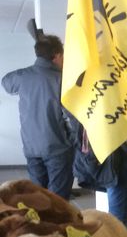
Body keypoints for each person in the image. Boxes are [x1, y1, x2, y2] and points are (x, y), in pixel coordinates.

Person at [2, 34, 75, 200]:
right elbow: (73, 118)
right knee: (58, 200)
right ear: (57, 56)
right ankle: (56, 225)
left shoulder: (23, 76)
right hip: (57, 148)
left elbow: (5, 82)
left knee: (37, 197)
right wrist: (72, 141)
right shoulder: (61, 80)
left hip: (31, 148)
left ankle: (38, 224)